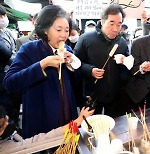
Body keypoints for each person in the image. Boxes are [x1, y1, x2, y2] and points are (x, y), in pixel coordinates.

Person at [3, 5, 82, 139]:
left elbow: (76, 85)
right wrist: (42, 65)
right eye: (58, 30)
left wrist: (72, 66)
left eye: (67, 30)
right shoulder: (29, 49)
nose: (64, 35)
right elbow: (9, 82)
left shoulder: (68, 49)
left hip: (68, 113)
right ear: (45, 30)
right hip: (41, 118)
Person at [74, 4, 129, 118]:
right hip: (92, 94)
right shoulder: (86, 38)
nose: (115, 28)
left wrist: (125, 62)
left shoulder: (122, 42)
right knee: (92, 127)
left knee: (113, 125)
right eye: (111, 23)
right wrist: (90, 70)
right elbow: (75, 63)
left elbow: (125, 67)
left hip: (114, 94)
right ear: (102, 21)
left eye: (119, 24)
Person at [0, 105, 94, 153]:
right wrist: (78, 121)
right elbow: (42, 140)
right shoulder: (5, 149)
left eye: (6, 119)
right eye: (2, 126)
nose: (7, 123)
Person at [0, 4, 21, 128]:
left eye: (3, 15)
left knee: (14, 106)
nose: (2, 19)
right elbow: (6, 53)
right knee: (5, 108)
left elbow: (13, 51)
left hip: (12, 74)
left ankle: (14, 129)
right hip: (2, 80)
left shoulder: (7, 32)